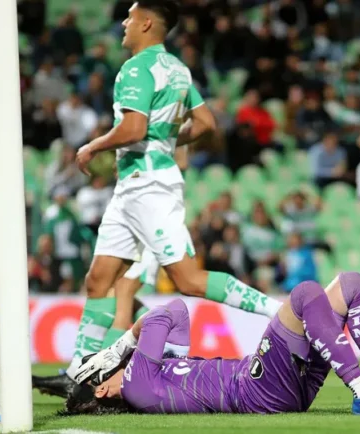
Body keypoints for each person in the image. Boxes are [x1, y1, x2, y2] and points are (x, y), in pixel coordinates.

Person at [33, 0, 283, 398]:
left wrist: (92, 146)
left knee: (188, 280)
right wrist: (169, 139)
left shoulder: (136, 68)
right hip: (131, 188)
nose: (124, 23)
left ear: (147, 23)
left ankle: (279, 312)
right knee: (99, 280)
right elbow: (205, 123)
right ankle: (77, 373)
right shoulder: (178, 69)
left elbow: (133, 128)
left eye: (130, 17)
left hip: (149, 186)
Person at [65, 272, 360, 416]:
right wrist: (121, 347)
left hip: (277, 387)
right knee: (303, 294)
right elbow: (164, 315)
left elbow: (178, 312)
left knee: (351, 285)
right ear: (102, 386)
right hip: (257, 389)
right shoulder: (135, 387)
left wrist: (129, 349)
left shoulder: (153, 377)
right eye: (105, 369)